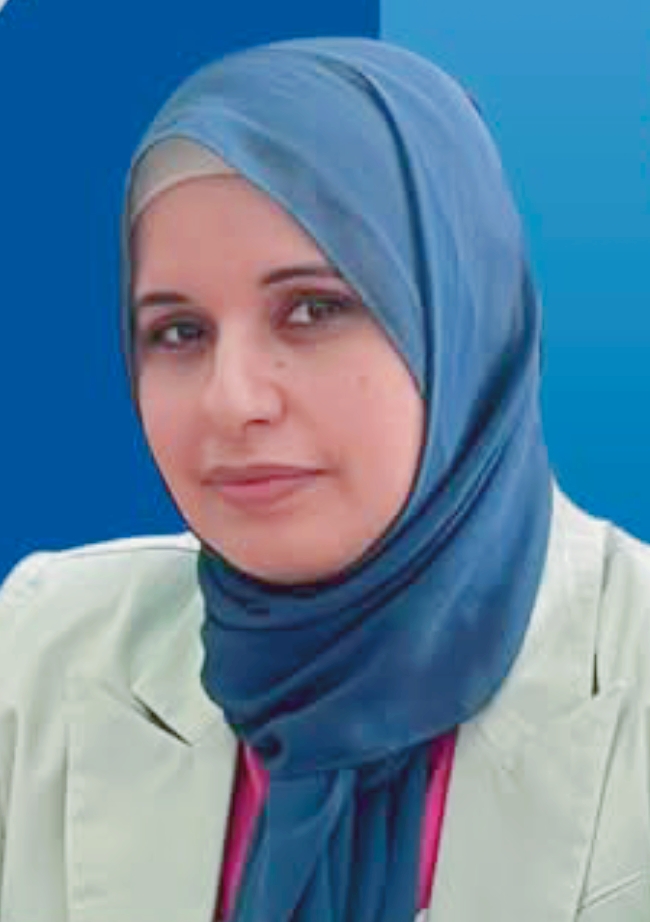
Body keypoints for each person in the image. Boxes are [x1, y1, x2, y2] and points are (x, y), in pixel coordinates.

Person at [0, 37, 648, 922]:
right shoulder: (36, 649)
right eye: (179, 331)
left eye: (313, 309)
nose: (233, 401)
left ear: (460, 318)